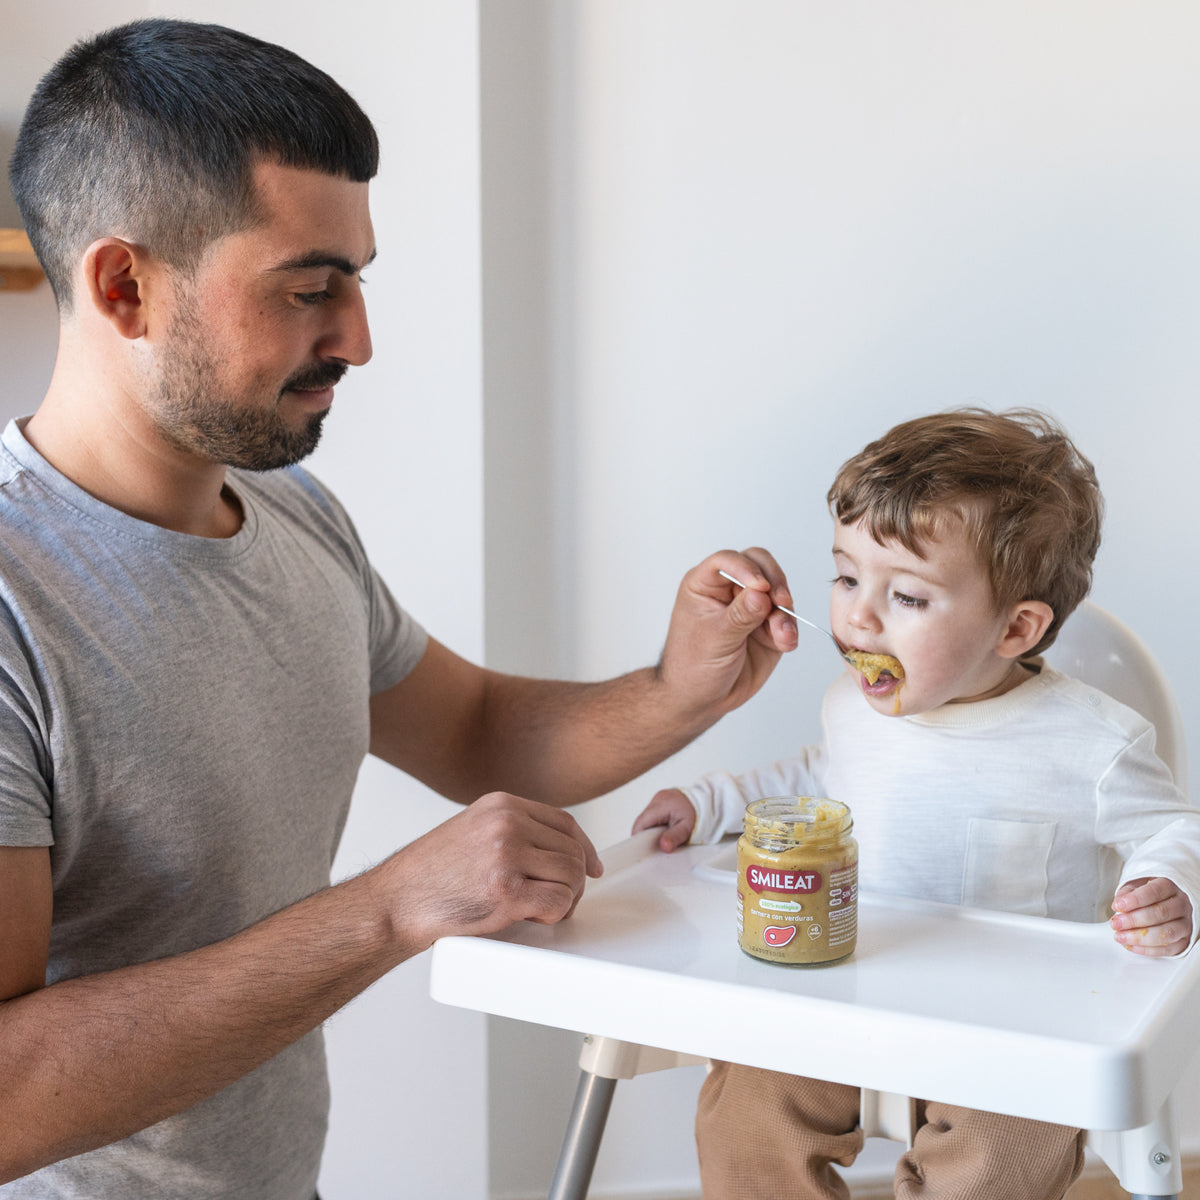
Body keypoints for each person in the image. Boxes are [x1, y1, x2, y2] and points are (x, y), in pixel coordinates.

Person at [0, 19, 802, 1197]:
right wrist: (386, 909)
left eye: (358, 282)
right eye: (309, 289)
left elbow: (476, 730)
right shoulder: (18, 599)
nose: (358, 340)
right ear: (125, 286)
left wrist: (681, 686)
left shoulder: (296, 519)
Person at [633, 408, 1200, 1200]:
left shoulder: (1091, 743)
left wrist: (1168, 888)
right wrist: (710, 803)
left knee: (1008, 1144)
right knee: (747, 1103)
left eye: (905, 595)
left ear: (1016, 628)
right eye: (846, 576)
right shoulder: (852, 705)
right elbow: (817, 778)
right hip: (854, 981)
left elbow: (1176, 830)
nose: (858, 615)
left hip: (1011, 1019)